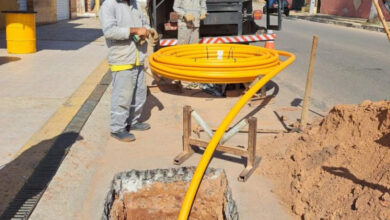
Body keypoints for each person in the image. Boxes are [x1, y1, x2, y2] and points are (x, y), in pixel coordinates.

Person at [99, 0, 156, 142]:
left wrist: (149, 30)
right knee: (122, 97)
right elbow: (109, 31)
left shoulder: (135, 4)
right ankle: (117, 128)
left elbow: (143, 22)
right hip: (122, 58)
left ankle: (133, 121)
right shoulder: (109, 5)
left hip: (138, 57)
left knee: (139, 94)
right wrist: (135, 31)